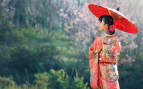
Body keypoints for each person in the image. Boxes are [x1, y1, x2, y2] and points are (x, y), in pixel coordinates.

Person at [88, 15, 121, 89]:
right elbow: (116, 57)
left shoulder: (99, 40)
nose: (99, 24)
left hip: (103, 72)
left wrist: (97, 57)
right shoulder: (117, 42)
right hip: (113, 72)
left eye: (101, 22)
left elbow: (92, 53)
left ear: (106, 26)